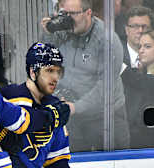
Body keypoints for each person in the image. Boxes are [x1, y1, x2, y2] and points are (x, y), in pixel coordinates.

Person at [41, 0, 130, 151]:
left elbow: (105, 87)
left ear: (88, 13)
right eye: (64, 14)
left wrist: (76, 107)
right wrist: (49, 33)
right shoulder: (62, 33)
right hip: (72, 115)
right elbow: (46, 63)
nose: (67, 19)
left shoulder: (107, 40)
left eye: (73, 14)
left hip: (105, 118)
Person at [121, 30, 154, 148]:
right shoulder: (142, 76)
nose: (141, 51)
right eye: (140, 47)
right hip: (136, 142)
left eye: (147, 46)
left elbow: (144, 83)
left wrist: (118, 65)